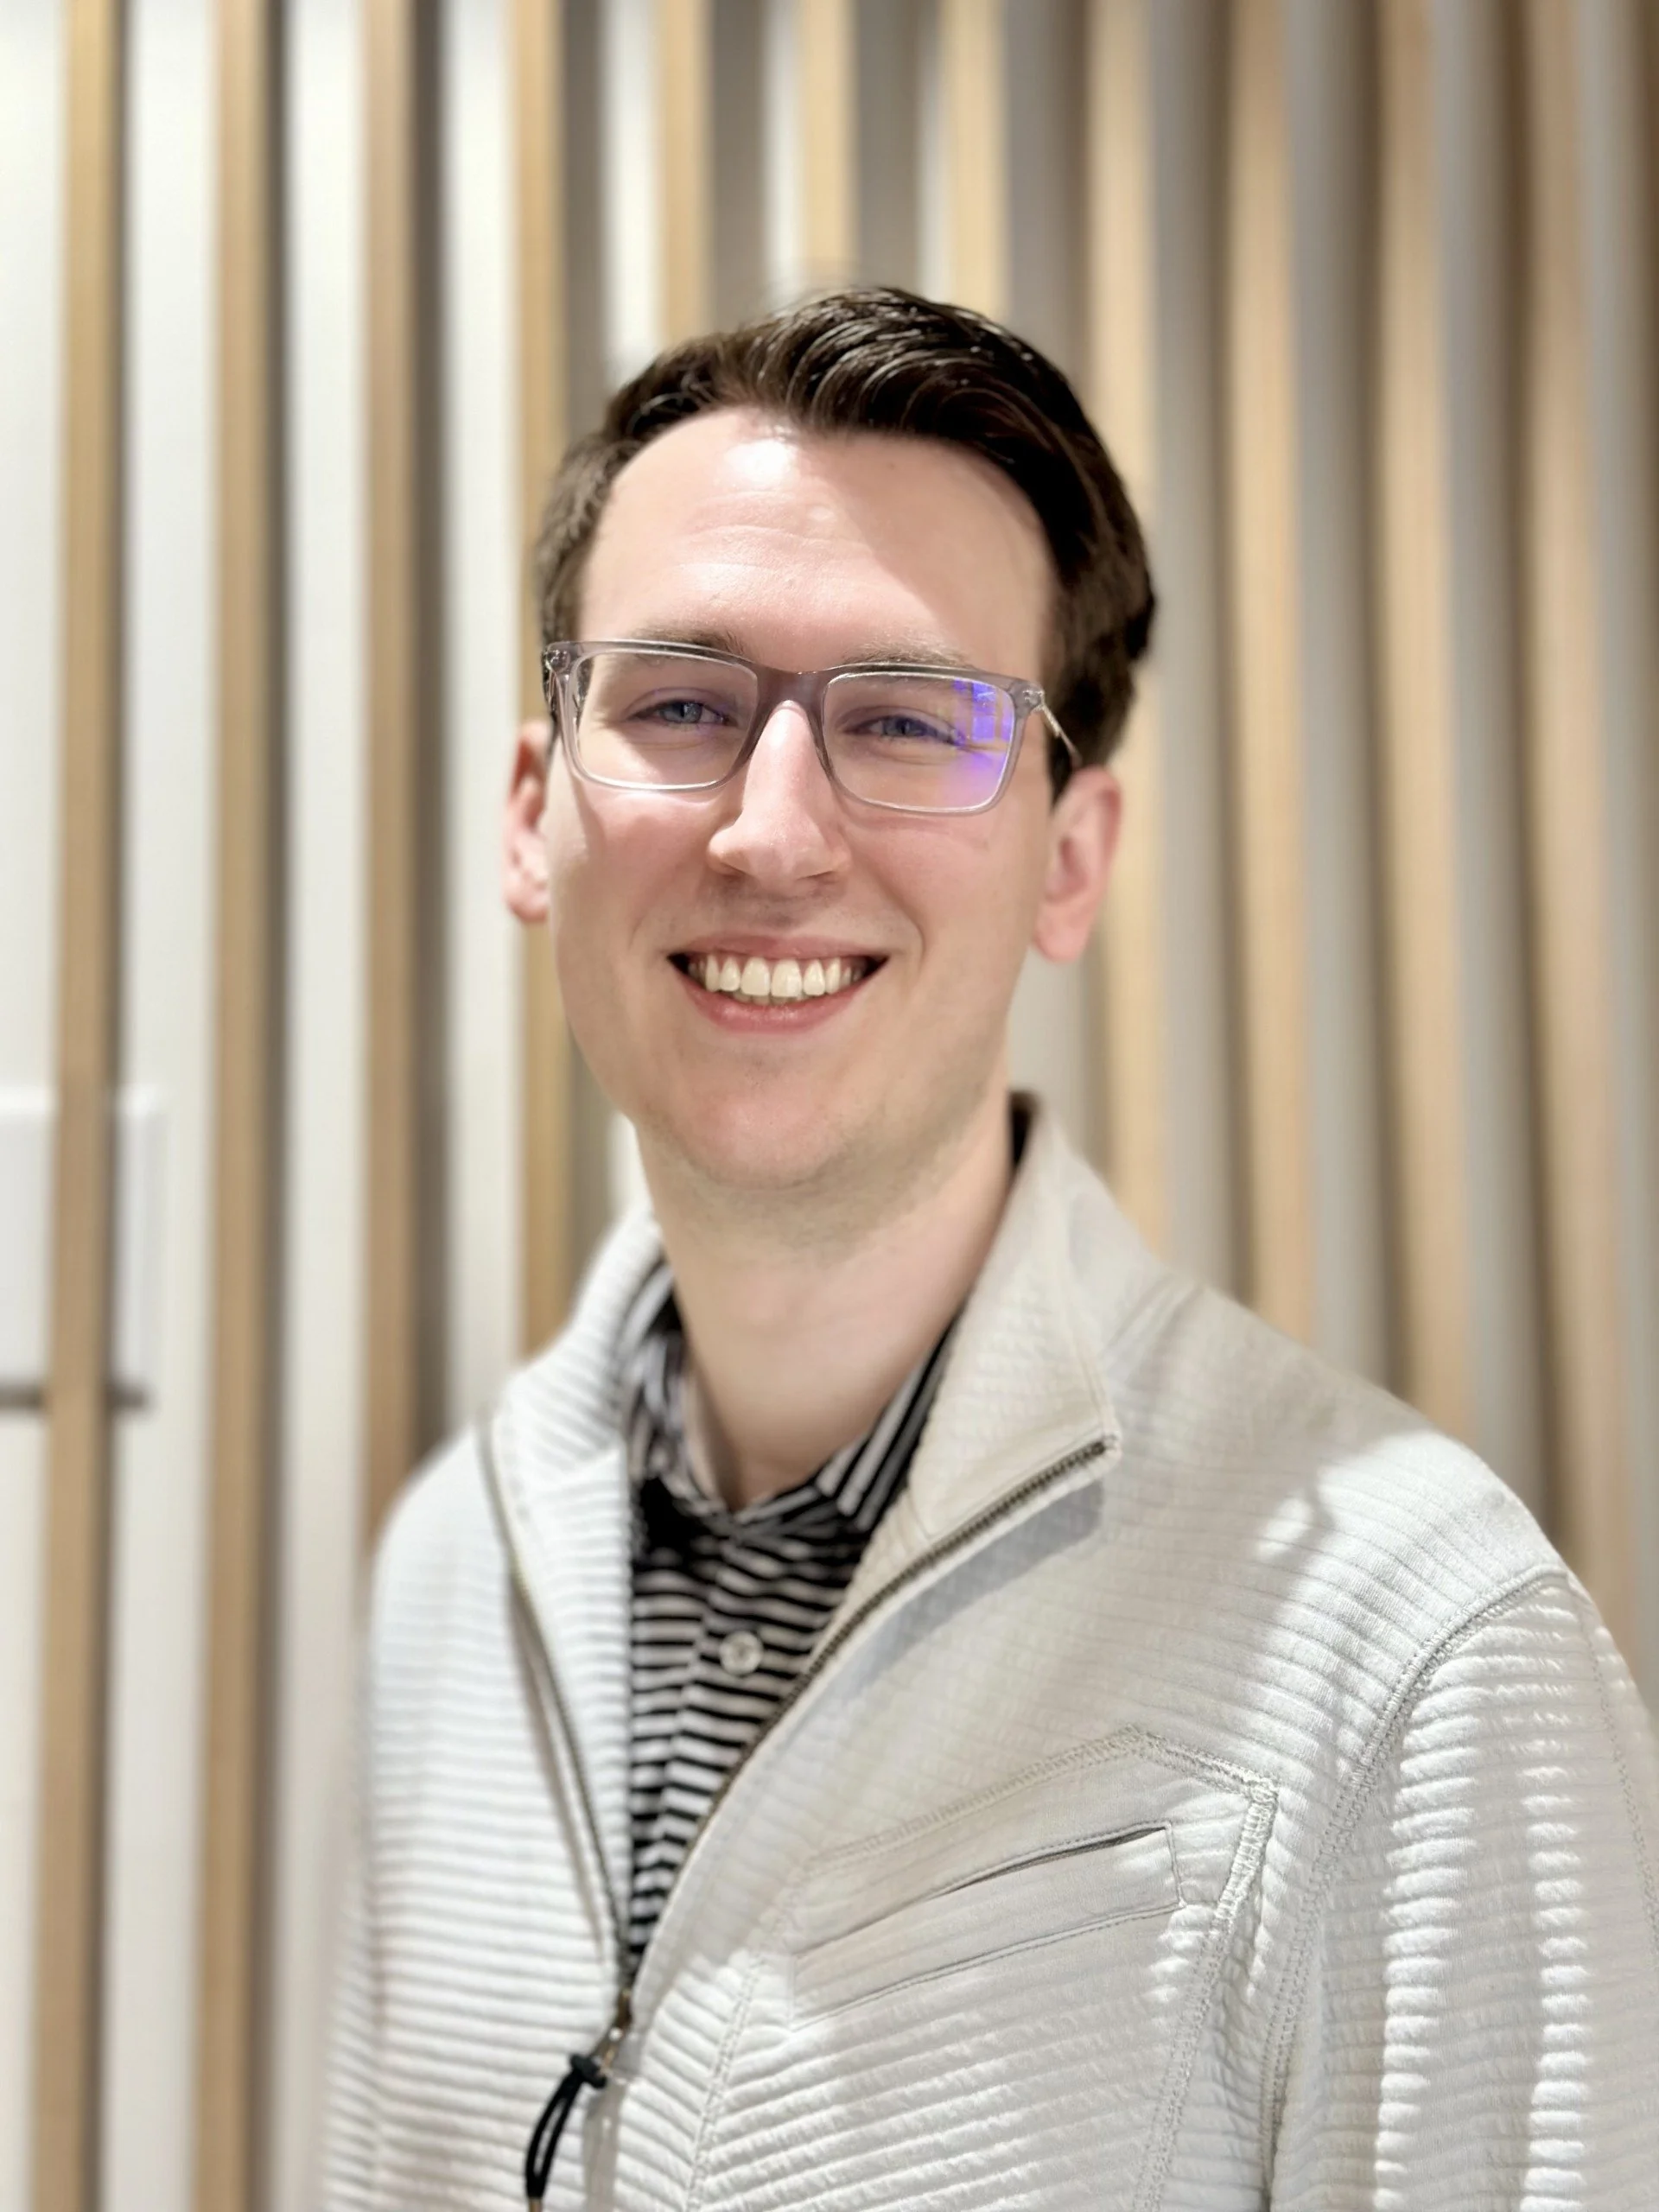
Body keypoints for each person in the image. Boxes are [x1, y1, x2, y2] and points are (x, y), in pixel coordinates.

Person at [321, 289, 1659, 2211]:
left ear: (1071, 855)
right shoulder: (452, 1565)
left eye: (906, 718)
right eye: (681, 700)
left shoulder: (1428, 1662)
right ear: (537, 811)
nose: (772, 832)